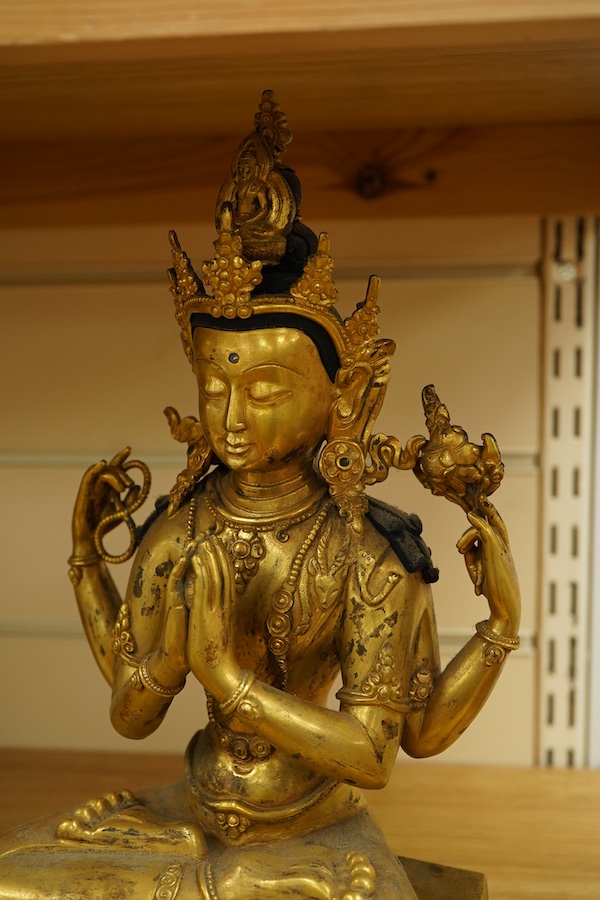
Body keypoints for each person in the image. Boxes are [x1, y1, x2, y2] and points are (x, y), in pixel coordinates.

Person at [0, 92, 520, 900]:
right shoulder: (181, 529)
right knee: (17, 879)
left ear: (344, 398)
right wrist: (96, 576)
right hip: (191, 816)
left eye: (267, 390)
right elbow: (131, 714)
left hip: (315, 828)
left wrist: (226, 678)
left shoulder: (369, 554)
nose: (233, 418)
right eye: (214, 389)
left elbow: (380, 752)